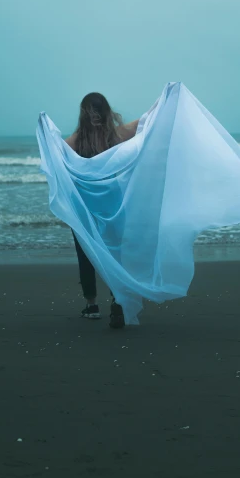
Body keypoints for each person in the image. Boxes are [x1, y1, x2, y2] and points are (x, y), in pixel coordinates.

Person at [63, 92, 139, 329]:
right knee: (115, 252)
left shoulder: (74, 142)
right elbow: (145, 123)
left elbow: (55, 156)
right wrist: (165, 100)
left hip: (85, 206)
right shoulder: (116, 135)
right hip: (112, 204)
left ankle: (92, 304)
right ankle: (117, 298)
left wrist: (44, 130)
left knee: (85, 253)